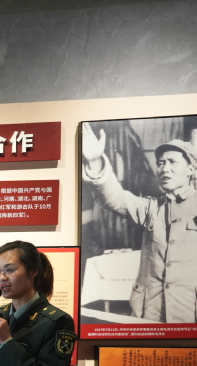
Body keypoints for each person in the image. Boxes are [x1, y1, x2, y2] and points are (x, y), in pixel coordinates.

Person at [81, 122, 197, 323]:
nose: (165, 169)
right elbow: (114, 199)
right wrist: (95, 161)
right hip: (149, 313)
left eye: (172, 162)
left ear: (191, 169)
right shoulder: (151, 207)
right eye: (160, 163)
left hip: (188, 313)